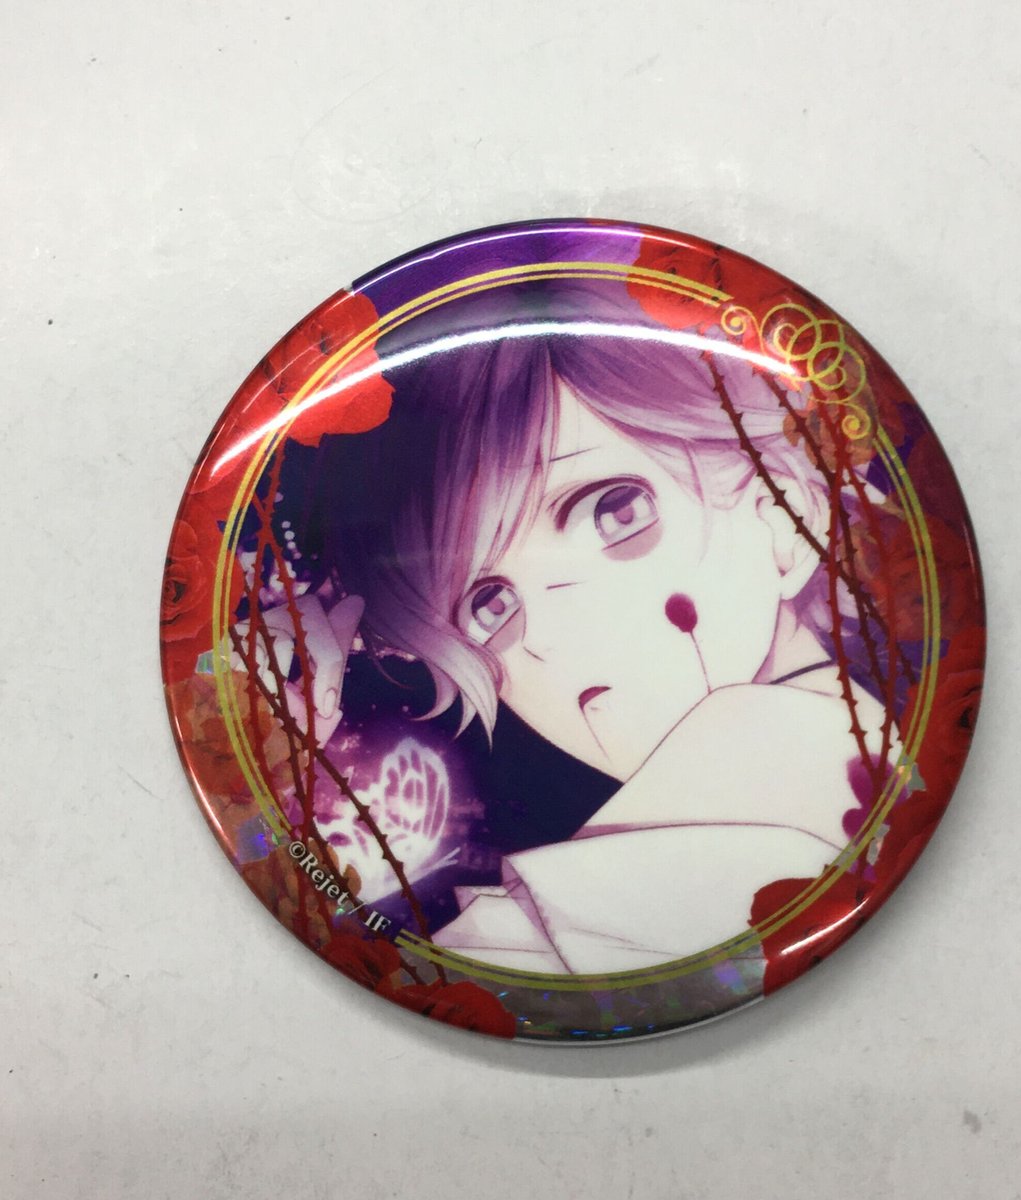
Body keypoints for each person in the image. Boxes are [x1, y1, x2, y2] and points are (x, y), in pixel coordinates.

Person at [293, 276, 890, 974]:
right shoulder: (857, 759)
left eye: (615, 512)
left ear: (785, 518)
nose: (548, 631)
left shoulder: (757, 760)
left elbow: (476, 989)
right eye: (491, 604)